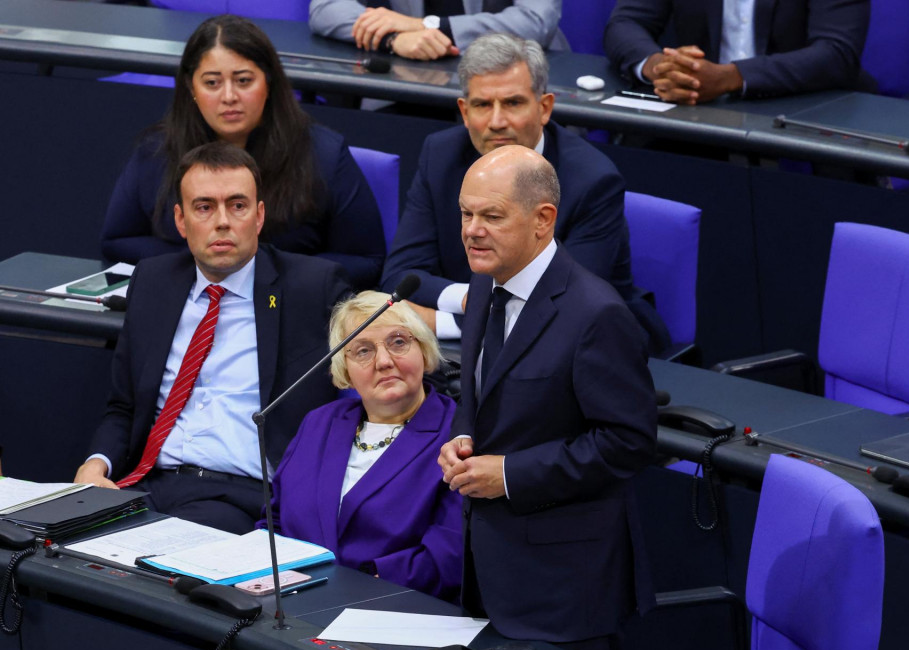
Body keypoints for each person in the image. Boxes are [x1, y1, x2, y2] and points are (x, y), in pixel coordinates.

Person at [438, 145, 657, 650]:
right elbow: (483, 395)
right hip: (490, 572)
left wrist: (511, 473)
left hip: (566, 591)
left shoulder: (596, 314)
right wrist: (463, 437)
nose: (471, 230)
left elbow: (629, 442)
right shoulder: (485, 284)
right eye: (466, 214)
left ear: (543, 220)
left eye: (491, 216)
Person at [75, 142, 352, 535]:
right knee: (39, 553)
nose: (222, 221)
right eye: (204, 207)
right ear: (181, 220)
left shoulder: (313, 287)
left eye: (237, 206)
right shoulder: (154, 281)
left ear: (258, 216)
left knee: (149, 562)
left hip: (241, 495)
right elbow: (123, 406)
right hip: (146, 483)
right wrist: (95, 464)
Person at [380, 32, 669, 350]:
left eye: (513, 103)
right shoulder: (440, 155)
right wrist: (471, 301)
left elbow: (563, 306)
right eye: (482, 105)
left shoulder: (593, 181)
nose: (497, 121)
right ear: (464, 112)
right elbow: (401, 274)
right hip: (470, 351)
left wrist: (441, 320)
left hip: (581, 349)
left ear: (544, 108)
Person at [102, 14, 385, 289]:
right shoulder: (157, 150)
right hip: (187, 300)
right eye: (212, 83)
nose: (228, 97)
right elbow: (117, 241)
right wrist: (206, 263)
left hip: (286, 306)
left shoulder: (323, 153)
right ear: (191, 87)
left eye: (243, 81)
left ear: (268, 82)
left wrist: (264, 271)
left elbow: (366, 260)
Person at [263, 291, 462, 601]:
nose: (384, 361)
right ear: (345, 370)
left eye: (398, 342)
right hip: (293, 600)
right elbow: (274, 519)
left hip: (393, 608)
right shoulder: (320, 422)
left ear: (424, 352)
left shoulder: (458, 433)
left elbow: (449, 555)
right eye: (363, 350)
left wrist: (348, 590)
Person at [603, 0, 872, 103]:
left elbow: (836, 53)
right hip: (693, 110)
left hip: (804, 109)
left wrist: (731, 77)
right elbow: (625, 23)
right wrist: (660, 66)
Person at [309, 0, 567, 61]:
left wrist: (428, 25)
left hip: (505, 81)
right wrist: (393, 38)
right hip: (406, 86)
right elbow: (326, 8)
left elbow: (536, 20)